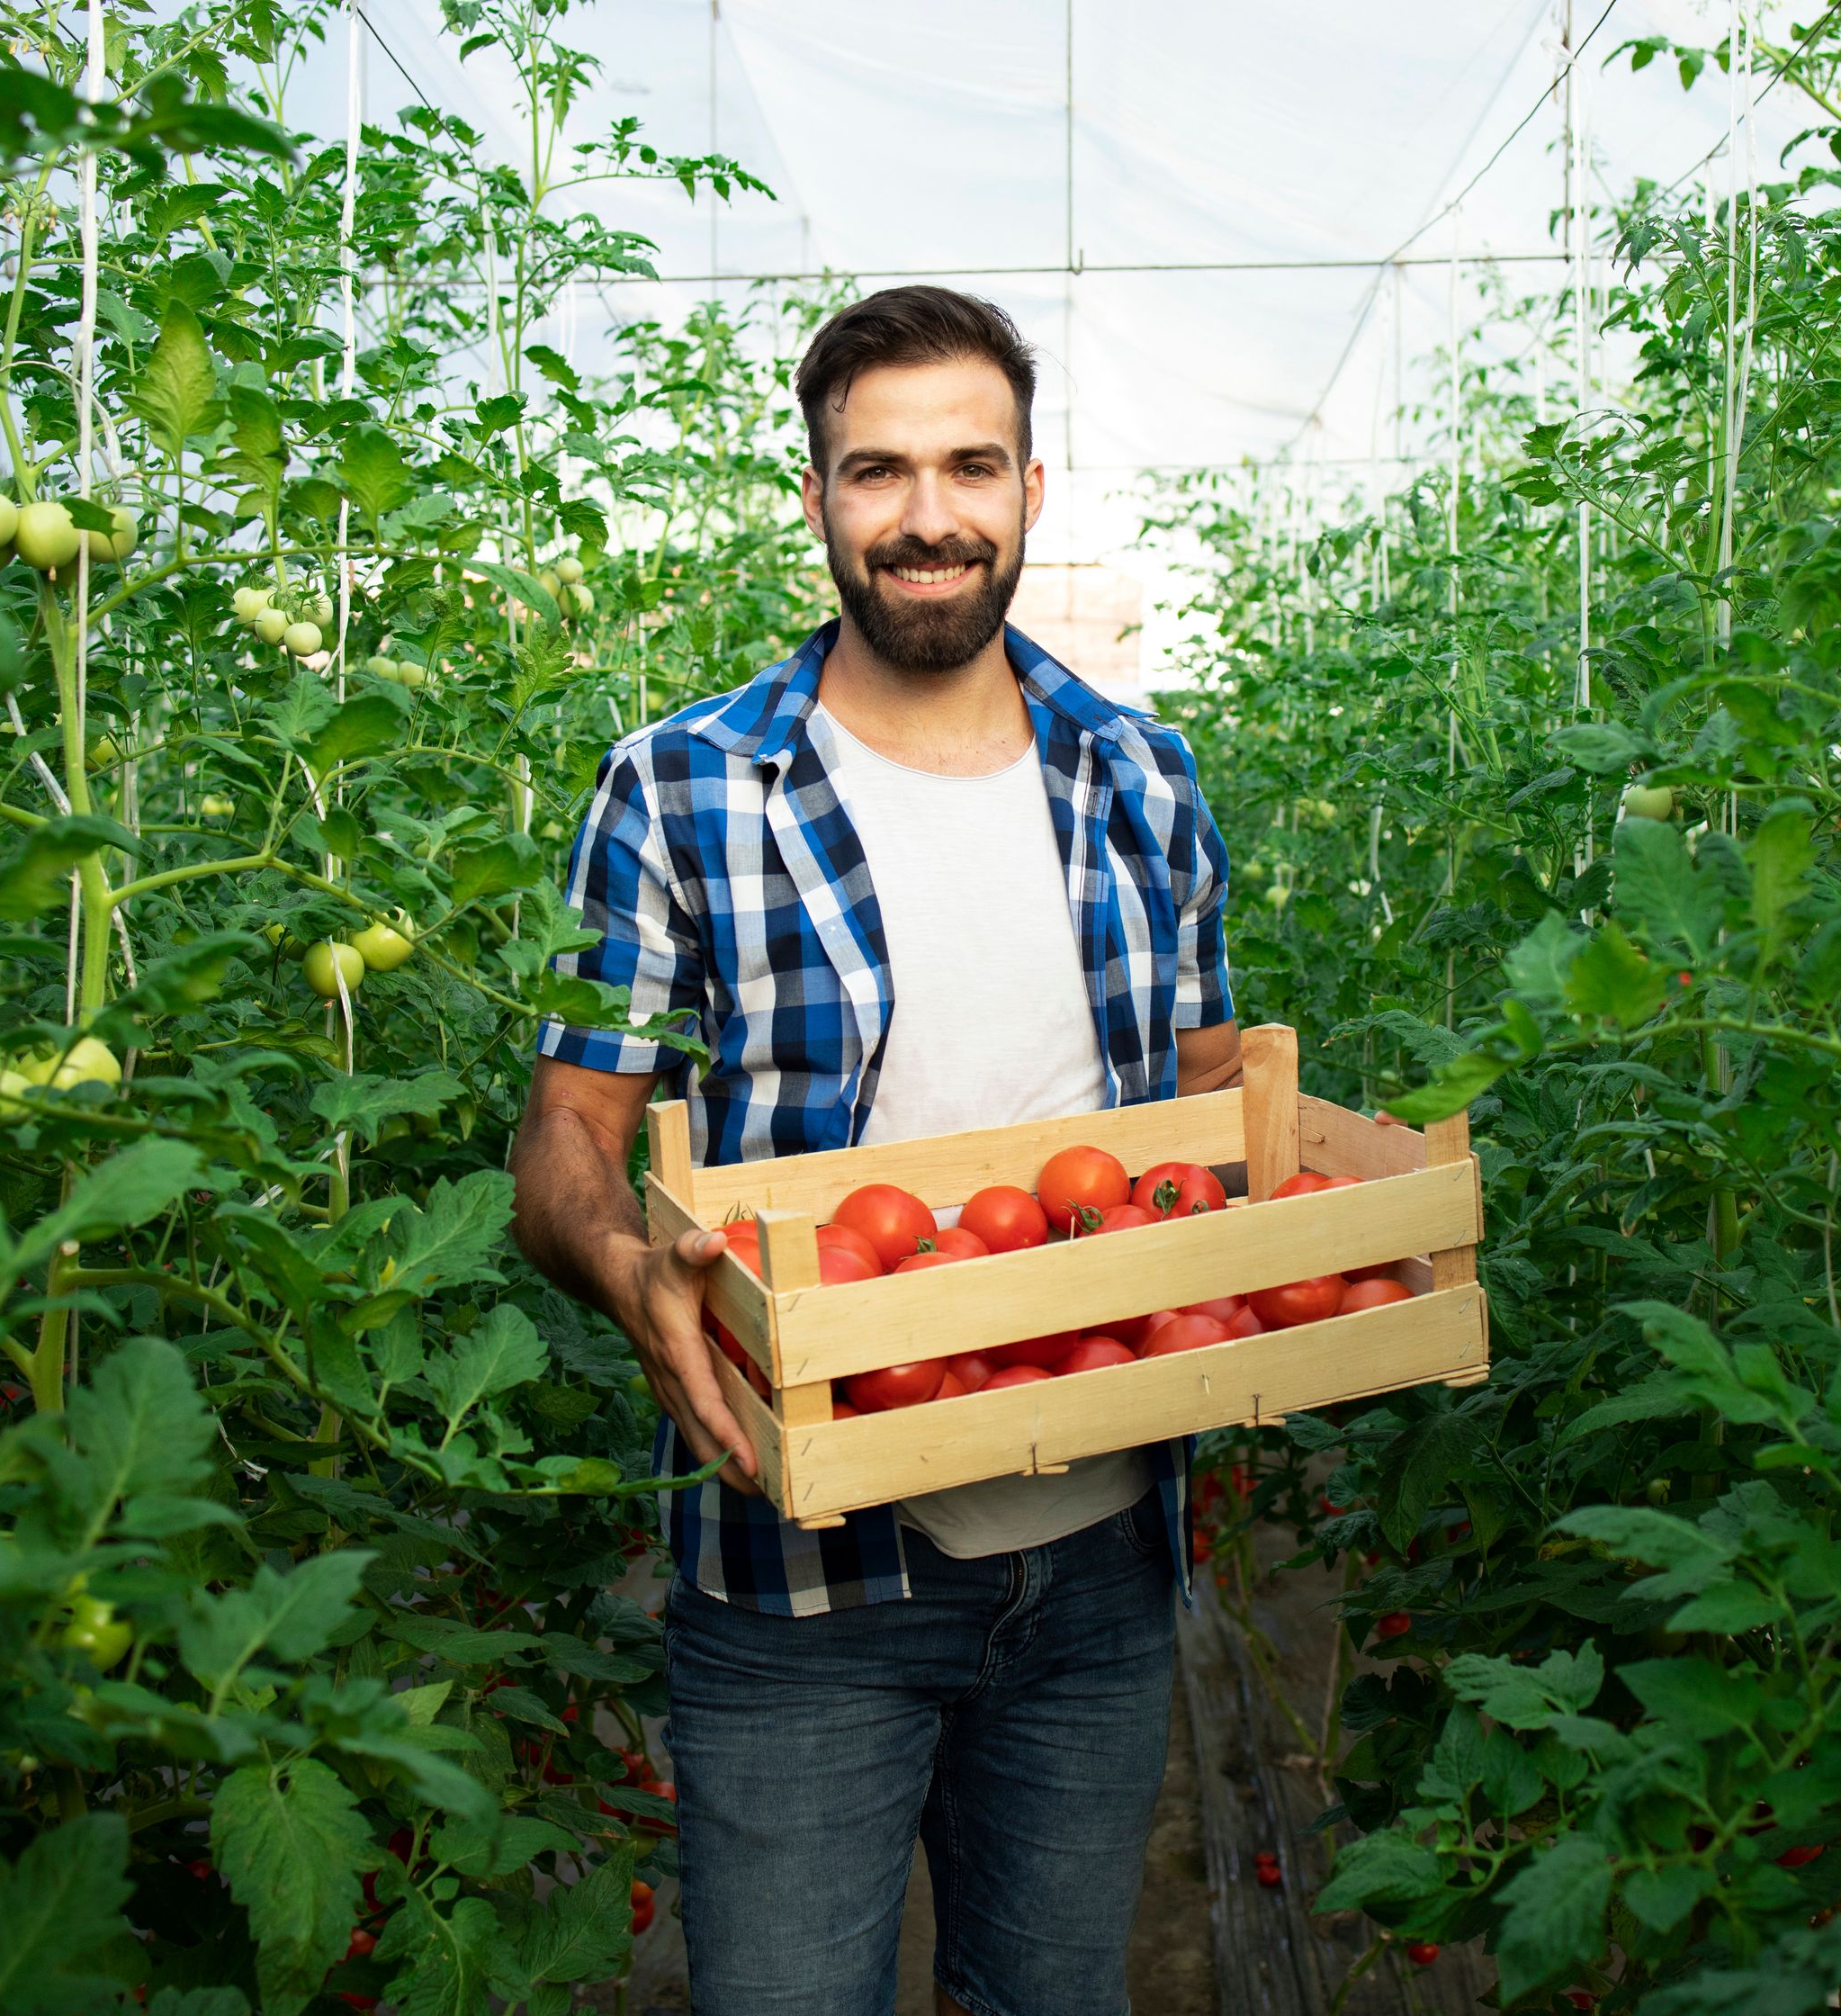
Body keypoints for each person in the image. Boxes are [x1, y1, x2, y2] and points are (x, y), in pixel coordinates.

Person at [509, 284, 1238, 2016]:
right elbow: (564, 1139)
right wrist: (621, 1264)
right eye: (878, 471)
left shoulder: (1141, 777)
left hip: (1103, 1559)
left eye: (969, 466)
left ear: (1031, 491)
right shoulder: (681, 787)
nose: (927, 516)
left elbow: (1213, 1128)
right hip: (797, 1573)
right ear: (820, 497)